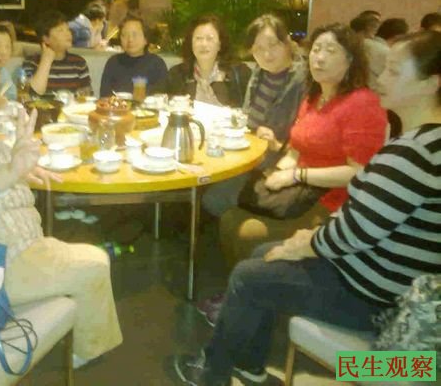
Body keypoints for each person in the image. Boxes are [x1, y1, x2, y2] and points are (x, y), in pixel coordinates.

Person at [172, 29, 441, 386]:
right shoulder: (424, 142)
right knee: (263, 254)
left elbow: (355, 232)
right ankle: (250, 364)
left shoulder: (413, 153)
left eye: (394, 71)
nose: (382, 78)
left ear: (430, 83)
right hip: (381, 277)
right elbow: (369, 218)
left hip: (379, 300)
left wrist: (307, 243)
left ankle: (212, 373)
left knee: (249, 275)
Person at [0, 32, 122, 365]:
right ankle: (86, 356)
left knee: (86, 257)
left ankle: (79, 341)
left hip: (14, 246)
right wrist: (11, 170)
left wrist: (20, 170)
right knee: (96, 263)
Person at [201, 14, 306, 218]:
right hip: (247, 154)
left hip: (275, 164)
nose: (266, 54)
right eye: (258, 49)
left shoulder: (303, 81)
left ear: (287, 42)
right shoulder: (260, 73)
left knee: (212, 198)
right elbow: (249, 117)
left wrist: (277, 144)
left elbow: (306, 141)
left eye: (273, 45)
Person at [162, 14, 251, 107]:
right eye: (198, 38)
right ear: (191, 43)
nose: (203, 44)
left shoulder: (239, 73)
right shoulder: (177, 74)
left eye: (210, 39)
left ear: (220, 44)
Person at [22, 10, 92, 95]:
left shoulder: (79, 63)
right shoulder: (31, 62)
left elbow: (87, 96)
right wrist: (46, 61)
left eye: (68, 29)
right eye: (60, 30)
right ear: (46, 39)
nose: (68, 34)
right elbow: (32, 94)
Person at [100, 15, 168, 97]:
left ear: (146, 39)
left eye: (135, 35)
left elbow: (162, 96)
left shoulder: (157, 64)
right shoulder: (113, 62)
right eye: (124, 35)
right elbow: (104, 95)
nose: (130, 39)